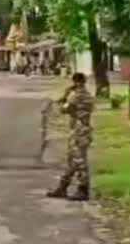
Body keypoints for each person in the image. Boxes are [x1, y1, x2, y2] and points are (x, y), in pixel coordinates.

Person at [47, 72, 94, 201]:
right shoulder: (88, 95)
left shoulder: (76, 96)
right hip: (84, 129)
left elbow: (63, 109)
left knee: (79, 161)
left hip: (79, 131)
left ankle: (83, 189)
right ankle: (63, 186)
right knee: (72, 161)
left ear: (76, 82)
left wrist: (66, 94)